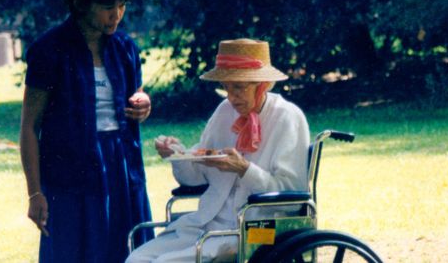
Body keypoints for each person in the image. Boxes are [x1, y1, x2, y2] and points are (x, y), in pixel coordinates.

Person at [126, 38, 310, 262]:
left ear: (262, 84)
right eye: (226, 87)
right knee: (137, 259)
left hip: (257, 231)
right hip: (206, 224)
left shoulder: (287, 118)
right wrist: (177, 156)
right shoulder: (225, 111)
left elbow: (291, 196)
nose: (232, 97)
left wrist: (244, 169)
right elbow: (195, 178)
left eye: (239, 87)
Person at [19, 0, 153, 262]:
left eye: (122, 6)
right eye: (107, 6)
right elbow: (30, 126)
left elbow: (137, 95)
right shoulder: (48, 50)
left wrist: (143, 103)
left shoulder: (125, 48)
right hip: (70, 172)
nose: (116, 14)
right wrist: (35, 192)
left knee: (129, 251)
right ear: (80, 4)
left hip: (121, 166)